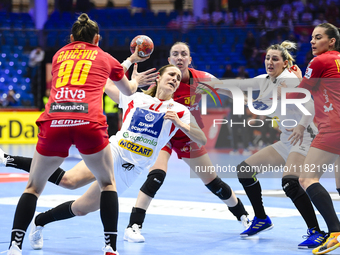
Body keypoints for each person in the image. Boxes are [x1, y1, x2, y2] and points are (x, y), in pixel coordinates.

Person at [4, 64, 206, 253]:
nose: (175, 79)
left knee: (82, 208)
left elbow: (201, 138)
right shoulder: (135, 98)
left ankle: (40, 220)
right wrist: (129, 78)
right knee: (69, 181)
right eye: (171, 74)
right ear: (159, 78)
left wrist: (180, 123)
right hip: (113, 153)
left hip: (132, 169)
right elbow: (107, 83)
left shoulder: (180, 111)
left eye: (178, 78)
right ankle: (8, 159)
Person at [6, 13, 153, 255]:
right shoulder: (104, 56)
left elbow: (86, 73)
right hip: (88, 123)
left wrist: (124, 62)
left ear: (72, 37)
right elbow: (126, 90)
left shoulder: (58, 55)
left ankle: (14, 246)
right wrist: (134, 79)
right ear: (97, 38)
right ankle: (110, 247)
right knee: (107, 184)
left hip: (55, 122)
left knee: (33, 187)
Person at [123, 42, 250, 243]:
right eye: (175, 54)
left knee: (213, 182)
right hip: (163, 134)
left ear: (190, 60)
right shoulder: (162, 81)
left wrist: (243, 100)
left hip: (187, 134)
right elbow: (139, 98)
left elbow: (227, 89)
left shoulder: (202, 79)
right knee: (156, 176)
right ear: (169, 60)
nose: (179, 57)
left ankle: (243, 215)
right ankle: (134, 225)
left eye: (184, 54)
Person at [206, 40, 325, 248]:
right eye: (267, 57)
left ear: (285, 63)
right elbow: (237, 85)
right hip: (287, 139)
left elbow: (311, 105)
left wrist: (301, 126)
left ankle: (316, 231)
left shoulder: (289, 81)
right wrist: (209, 84)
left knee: (290, 182)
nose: (269, 61)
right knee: (245, 171)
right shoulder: (264, 80)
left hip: (304, 137)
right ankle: (261, 219)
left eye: (275, 59)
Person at [288, 22, 340, 255]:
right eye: (311, 37)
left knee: (307, 178)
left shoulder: (319, 61)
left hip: (333, 127)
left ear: (331, 41)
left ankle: (335, 233)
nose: (312, 41)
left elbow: (299, 94)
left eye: (318, 37)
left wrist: (295, 77)